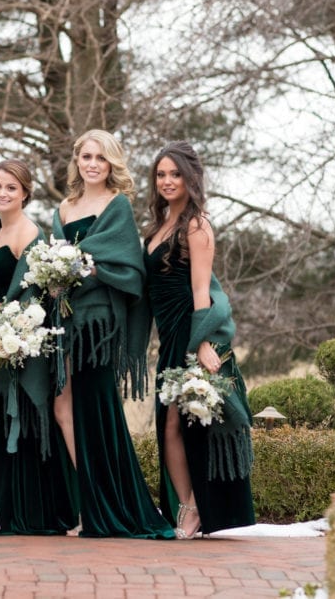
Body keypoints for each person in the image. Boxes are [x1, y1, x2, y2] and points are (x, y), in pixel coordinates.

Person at [51, 130, 174, 539]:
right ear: (77, 161)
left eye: (100, 159)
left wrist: (87, 268)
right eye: (86, 156)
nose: (91, 164)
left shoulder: (116, 205)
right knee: (63, 407)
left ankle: (109, 510)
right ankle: (90, 503)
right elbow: (54, 256)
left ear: (111, 165)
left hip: (98, 324)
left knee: (97, 411)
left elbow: (128, 266)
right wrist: (55, 272)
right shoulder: (64, 208)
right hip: (64, 320)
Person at [143, 141, 255, 539]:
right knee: (168, 425)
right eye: (161, 175)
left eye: (175, 174)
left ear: (191, 178)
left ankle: (193, 509)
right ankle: (187, 504)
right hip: (167, 336)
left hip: (189, 335)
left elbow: (201, 289)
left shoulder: (197, 224)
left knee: (180, 422)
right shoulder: (157, 226)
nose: (167, 181)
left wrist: (203, 343)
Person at [0, 160, 78, 534]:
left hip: (24, 342)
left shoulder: (30, 233)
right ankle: (2, 508)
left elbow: (34, 293)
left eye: (11, 188)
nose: (2, 193)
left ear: (25, 193)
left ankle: (33, 511)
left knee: (26, 419)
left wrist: (11, 316)